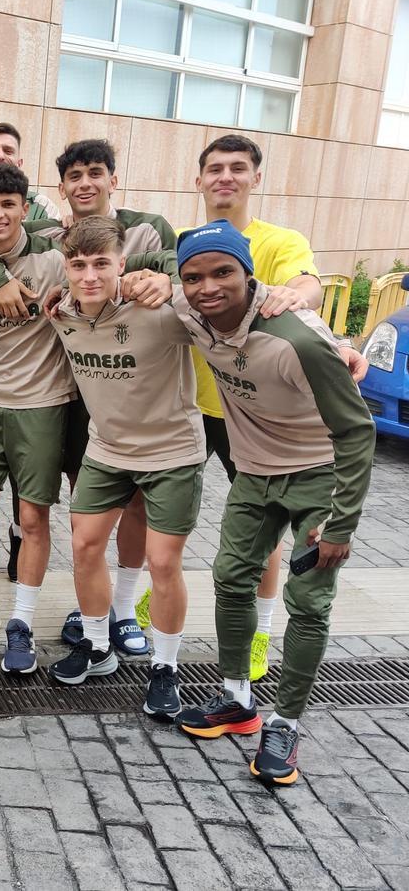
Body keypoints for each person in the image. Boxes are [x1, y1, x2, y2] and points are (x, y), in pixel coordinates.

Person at [0, 163, 173, 664]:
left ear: (28, 209)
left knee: (32, 517)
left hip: (44, 407)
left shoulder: (54, 260)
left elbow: (135, 256)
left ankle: (22, 619)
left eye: (8, 205)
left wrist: (162, 278)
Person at [171, 220, 375, 785]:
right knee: (231, 575)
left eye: (222, 273)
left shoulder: (297, 338)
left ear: (249, 274)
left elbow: (358, 432)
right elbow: (137, 283)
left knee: (308, 601)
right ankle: (236, 699)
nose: (208, 287)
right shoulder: (190, 311)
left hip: (319, 477)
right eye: (194, 276)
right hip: (255, 474)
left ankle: (284, 722)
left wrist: (342, 524)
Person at [178, 133, 328, 682]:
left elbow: (307, 282)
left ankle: (261, 630)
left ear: (255, 178)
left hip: (258, 417)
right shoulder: (185, 240)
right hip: (192, 407)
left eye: (237, 168)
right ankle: (163, 593)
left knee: (261, 532)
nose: (225, 177)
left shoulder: (278, 240)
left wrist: (295, 295)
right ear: (198, 180)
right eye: (214, 168)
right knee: (170, 513)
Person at [46, 216, 202, 718]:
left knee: (163, 563)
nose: (89, 276)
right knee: (85, 544)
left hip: (172, 452)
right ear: (66, 268)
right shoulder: (61, 311)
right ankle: (97, 645)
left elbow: (234, 305)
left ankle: (165, 665)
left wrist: (171, 282)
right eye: (78, 264)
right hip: (107, 449)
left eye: (101, 264)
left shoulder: (159, 309)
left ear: (121, 264)